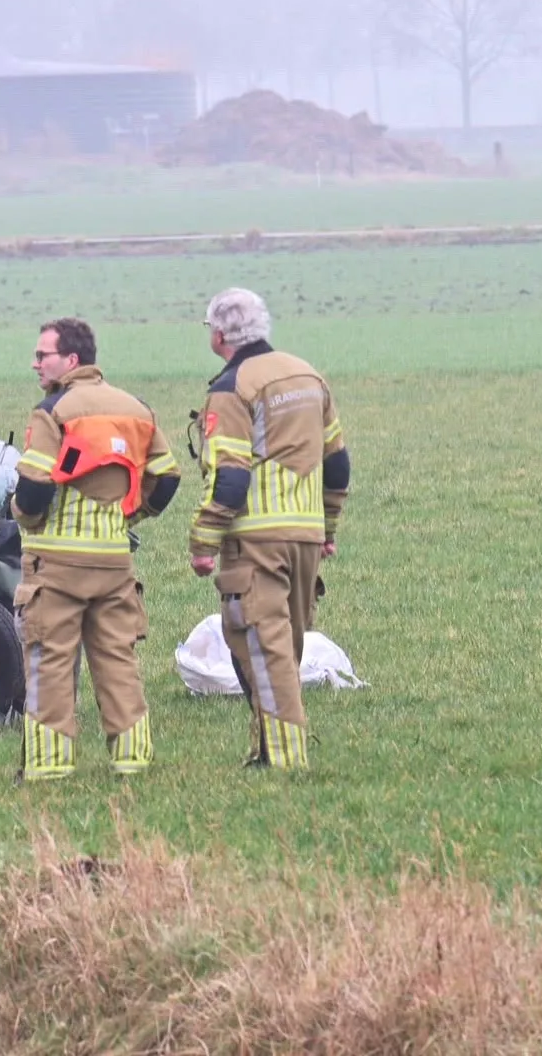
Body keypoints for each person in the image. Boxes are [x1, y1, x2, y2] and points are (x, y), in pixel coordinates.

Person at [11, 318, 179, 781]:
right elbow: (167, 478)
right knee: (119, 662)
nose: (34, 363)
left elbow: (34, 487)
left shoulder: (54, 410)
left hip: (57, 565)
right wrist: (128, 514)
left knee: (50, 661)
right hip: (114, 561)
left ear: (71, 360)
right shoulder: (136, 409)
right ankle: (132, 762)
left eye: (42, 355)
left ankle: (48, 768)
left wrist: (23, 518)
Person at [189, 288, 350, 771]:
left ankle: (284, 759)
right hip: (305, 535)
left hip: (257, 539)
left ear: (219, 335)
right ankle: (265, 751)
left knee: (263, 648)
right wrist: (328, 525)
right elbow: (337, 462)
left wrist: (204, 539)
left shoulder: (232, 386)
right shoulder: (308, 375)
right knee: (287, 645)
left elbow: (231, 476)